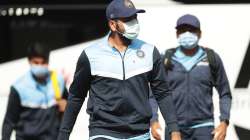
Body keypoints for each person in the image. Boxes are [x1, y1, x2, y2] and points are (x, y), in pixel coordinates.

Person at [57, 0, 181, 140]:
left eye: (135, 18)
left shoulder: (150, 52)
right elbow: (76, 97)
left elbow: (162, 92)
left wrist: (174, 129)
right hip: (103, 132)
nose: (133, 23)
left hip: (140, 133)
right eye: (127, 19)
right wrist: (63, 134)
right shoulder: (90, 55)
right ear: (112, 24)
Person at [150, 14, 232, 140]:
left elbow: (225, 93)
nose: (187, 34)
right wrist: (153, 120)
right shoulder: (166, 59)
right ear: (177, 34)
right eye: (182, 30)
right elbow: (154, 93)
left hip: (204, 129)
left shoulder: (211, 58)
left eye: (192, 30)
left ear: (200, 33)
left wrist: (224, 121)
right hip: (174, 128)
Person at [1, 43, 68, 140]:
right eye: (36, 62)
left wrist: (66, 106)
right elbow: (9, 121)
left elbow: (69, 104)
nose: (39, 66)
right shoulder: (19, 87)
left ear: (48, 62)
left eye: (43, 62)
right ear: (29, 61)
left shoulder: (57, 80)